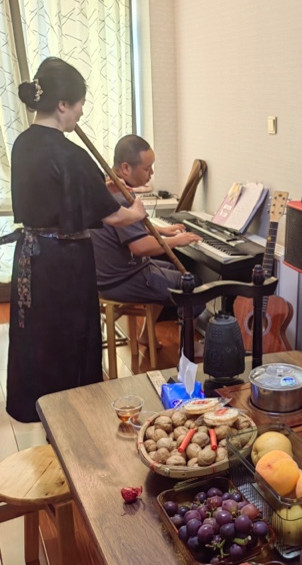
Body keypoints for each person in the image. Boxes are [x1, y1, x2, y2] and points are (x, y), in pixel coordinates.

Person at [7, 57, 147, 423]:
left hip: (30, 256)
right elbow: (113, 216)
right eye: (80, 104)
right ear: (62, 104)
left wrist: (106, 194)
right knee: (70, 338)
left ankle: (40, 411)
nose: (81, 112)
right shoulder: (71, 154)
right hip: (65, 261)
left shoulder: (22, 144)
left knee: (36, 334)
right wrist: (136, 213)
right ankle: (73, 417)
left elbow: (60, 198)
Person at [90, 135, 202, 346]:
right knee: (191, 284)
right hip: (120, 280)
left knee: (171, 268)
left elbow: (131, 228)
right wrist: (178, 240)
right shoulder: (120, 197)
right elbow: (140, 247)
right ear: (126, 168)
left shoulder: (108, 186)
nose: (151, 173)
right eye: (147, 168)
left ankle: (145, 335)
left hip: (108, 276)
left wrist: (164, 231)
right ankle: (188, 348)